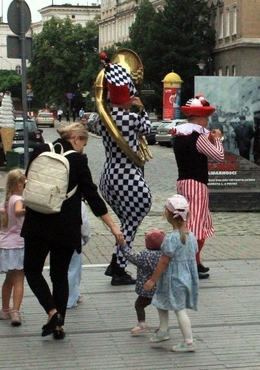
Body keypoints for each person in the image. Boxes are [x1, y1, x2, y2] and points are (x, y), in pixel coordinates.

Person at [21, 123, 125, 340]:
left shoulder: (40, 151)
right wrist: (114, 227)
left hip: (37, 223)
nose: (83, 149)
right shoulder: (77, 160)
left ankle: (51, 311)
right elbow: (93, 196)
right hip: (65, 227)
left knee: (32, 270)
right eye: (83, 144)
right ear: (76, 138)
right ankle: (59, 326)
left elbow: (28, 181)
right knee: (59, 276)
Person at [97, 52, 153, 286]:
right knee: (133, 220)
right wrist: (140, 109)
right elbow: (148, 128)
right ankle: (119, 267)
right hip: (127, 175)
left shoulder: (103, 118)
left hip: (109, 176)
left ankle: (116, 261)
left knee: (126, 222)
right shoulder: (131, 118)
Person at [172, 94, 224, 279]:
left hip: (182, 182)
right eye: (207, 118)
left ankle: (196, 261)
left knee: (187, 221)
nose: (208, 122)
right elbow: (218, 156)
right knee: (197, 224)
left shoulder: (179, 134)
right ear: (201, 118)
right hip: (197, 183)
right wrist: (217, 139)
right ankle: (191, 262)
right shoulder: (199, 136)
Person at [144, 195, 200, 353]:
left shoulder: (170, 238)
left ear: (167, 215)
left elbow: (163, 261)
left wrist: (152, 280)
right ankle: (163, 330)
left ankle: (189, 341)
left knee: (179, 309)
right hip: (186, 277)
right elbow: (191, 254)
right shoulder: (192, 237)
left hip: (173, 279)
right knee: (160, 300)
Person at [0, 169, 27, 326]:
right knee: (19, 279)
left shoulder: (6, 201)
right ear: (18, 184)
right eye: (23, 182)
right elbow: (18, 211)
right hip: (18, 245)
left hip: (5, 246)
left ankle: (4, 309)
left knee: (8, 279)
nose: (24, 185)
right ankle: (15, 311)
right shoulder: (18, 200)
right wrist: (26, 210)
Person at [123, 228, 165, 336]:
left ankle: (142, 324)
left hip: (147, 289)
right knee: (161, 308)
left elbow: (131, 256)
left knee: (139, 305)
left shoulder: (144, 255)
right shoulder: (164, 255)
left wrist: (123, 246)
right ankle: (163, 326)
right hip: (161, 288)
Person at [67, 201, 91, 309]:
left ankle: (71, 295)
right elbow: (84, 224)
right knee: (73, 270)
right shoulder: (79, 204)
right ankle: (71, 298)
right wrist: (86, 237)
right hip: (74, 240)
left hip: (55, 240)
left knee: (60, 270)